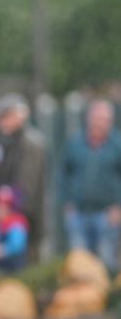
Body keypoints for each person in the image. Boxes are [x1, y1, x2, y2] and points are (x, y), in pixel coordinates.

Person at [62, 99, 121, 272]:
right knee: (79, 264)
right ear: (89, 118)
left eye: (104, 119)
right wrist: (67, 203)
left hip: (107, 214)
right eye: (97, 118)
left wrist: (118, 207)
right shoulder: (75, 143)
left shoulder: (117, 145)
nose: (100, 123)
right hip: (78, 213)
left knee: (106, 262)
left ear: (111, 121)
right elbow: (63, 174)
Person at [0, 93, 45, 261]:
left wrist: (6, 206)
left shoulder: (30, 143)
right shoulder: (10, 142)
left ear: (21, 115)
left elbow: (25, 185)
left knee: (26, 264)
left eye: (5, 117)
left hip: (24, 219)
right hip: (13, 217)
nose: (1, 123)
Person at [0, 186, 29, 273]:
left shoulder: (16, 223)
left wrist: (0, 250)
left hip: (14, 268)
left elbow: (17, 246)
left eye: (2, 207)